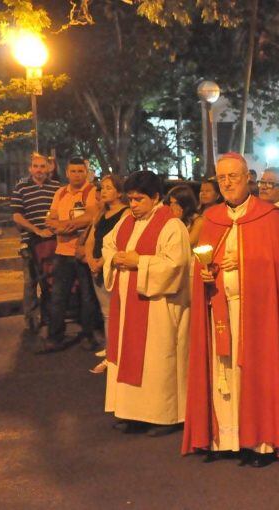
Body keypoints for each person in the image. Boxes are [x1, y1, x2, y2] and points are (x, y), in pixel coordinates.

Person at [182, 152, 279, 465]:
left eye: (233, 177)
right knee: (223, 372)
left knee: (255, 372)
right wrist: (206, 273)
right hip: (219, 308)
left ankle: (260, 442)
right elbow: (201, 260)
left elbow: (278, 268)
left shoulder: (267, 217)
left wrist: (243, 262)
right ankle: (225, 437)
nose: (227, 183)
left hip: (257, 314)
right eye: (221, 178)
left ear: (248, 178)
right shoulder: (212, 218)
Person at [102, 170, 191, 436]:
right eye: (130, 199)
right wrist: (115, 258)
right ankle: (133, 413)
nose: (133, 205)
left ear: (155, 197)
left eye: (139, 199)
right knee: (129, 354)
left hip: (159, 307)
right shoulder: (126, 221)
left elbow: (177, 265)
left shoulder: (171, 225)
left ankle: (165, 417)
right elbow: (109, 245)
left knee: (156, 360)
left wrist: (139, 261)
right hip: (128, 304)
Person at [39, 157, 99, 354]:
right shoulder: (60, 192)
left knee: (88, 297)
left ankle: (90, 335)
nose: (77, 175)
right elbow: (51, 217)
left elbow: (90, 216)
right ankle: (54, 337)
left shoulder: (91, 192)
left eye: (81, 171)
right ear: (67, 173)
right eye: (73, 171)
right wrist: (61, 224)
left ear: (87, 172)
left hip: (83, 253)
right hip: (62, 253)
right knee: (58, 296)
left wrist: (62, 226)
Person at [12, 153, 61, 333]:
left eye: (42, 166)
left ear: (49, 168)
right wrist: (36, 230)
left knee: (51, 281)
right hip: (29, 242)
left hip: (52, 241)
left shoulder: (57, 187)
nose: (39, 170)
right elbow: (17, 215)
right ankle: (31, 320)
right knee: (30, 282)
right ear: (30, 168)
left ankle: (50, 316)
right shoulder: (21, 187)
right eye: (36, 166)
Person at [85, 174, 128, 373]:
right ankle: (111, 349)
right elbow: (92, 239)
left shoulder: (126, 214)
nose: (103, 191)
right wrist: (90, 260)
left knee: (116, 312)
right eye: (102, 187)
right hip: (96, 266)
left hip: (112, 267)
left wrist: (102, 262)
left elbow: (119, 243)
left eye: (109, 187)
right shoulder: (101, 213)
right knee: (106, 313)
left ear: (119, 192)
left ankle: (117, 353)